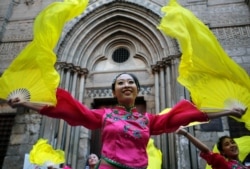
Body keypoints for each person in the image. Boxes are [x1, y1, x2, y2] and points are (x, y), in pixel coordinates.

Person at [8, 73, 246, 169]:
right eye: (120, 83)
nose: (126, 85)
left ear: (136, 89)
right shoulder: (104, 115)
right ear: (114, 91)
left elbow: (189, 115)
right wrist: (25, 103)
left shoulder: (149, 120)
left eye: (130, 82)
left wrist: (227, 111)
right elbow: (64, 110)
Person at [176, 127, 250, 169]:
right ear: (223, 152)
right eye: (227, 144)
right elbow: (206, 151)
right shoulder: (223, 164)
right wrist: (186, 133)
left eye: (233, 142)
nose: (232, 145)